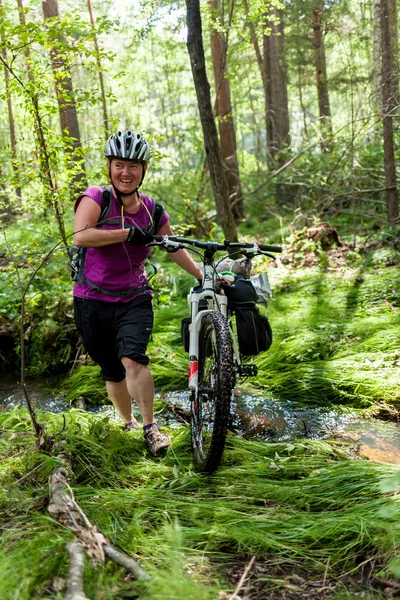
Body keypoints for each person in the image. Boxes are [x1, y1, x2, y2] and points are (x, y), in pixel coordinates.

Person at [73, 130, 203, 456]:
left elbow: (172, 248)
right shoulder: (95, 199)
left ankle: (151, 428)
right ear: (109, 167)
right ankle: (128, 421)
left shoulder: (153, 211)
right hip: (92, 299)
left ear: (143, 170)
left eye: (133, 165)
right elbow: (81, 236)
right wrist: (127, 233)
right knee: (113, 371)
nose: (126, 172)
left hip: (134, 296)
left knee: (133, 358)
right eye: (119, 165)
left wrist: (203, 275)